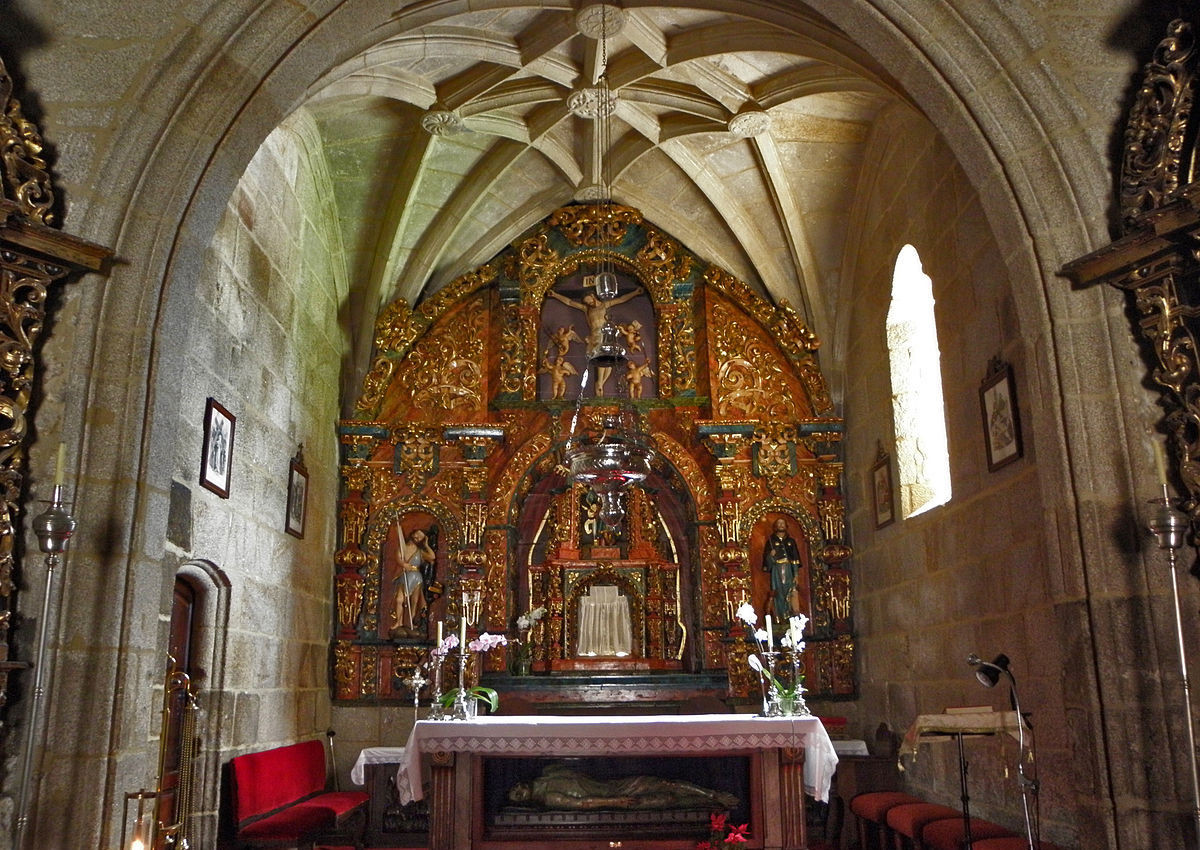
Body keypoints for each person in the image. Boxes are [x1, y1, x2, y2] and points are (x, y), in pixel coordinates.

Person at [506, 763, 738, 811]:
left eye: (515, 787)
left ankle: (713, 795)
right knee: (667, 800)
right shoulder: (549, 797)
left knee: (664, 784)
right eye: (518, 795)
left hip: (611, 782)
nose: (519, 788)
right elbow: (584, 803)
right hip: (614, 794)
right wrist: (616, 801)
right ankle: (712, 803)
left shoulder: (547, 772)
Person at [545, 284, 644, 396]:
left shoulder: (605, 305)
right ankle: (600, 383)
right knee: (601, 357)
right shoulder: (586, 309)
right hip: (595, 336)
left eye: (589, 300)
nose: (589, 303)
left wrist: (635, 293)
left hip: (606, 334)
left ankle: (600, 383)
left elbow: (621, 299)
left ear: (593, 296)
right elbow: (569, 302)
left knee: (609, 362)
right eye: (586, 302)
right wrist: (555, 295)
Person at [392, 525, 435, 633]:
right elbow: (398, 558)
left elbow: (432, 557)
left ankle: (411, 622)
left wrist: (426, 545)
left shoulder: (420, 551)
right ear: (412, 534)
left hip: (416, 577)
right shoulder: (403, 548)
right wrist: (403, 564)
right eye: (417, 535)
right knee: (399, 600)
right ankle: (399, 622)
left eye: (420, 538)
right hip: (405, 576)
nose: (417, 538)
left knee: (414, 602)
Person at [762, 517, 802, 618]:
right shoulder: (771, 541)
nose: (781, 525)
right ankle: (779, 616)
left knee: (789, 590)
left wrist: (796, 575)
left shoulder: (791, 541)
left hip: (788, 569)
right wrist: (771, 556)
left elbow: (795, 558)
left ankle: (790, 614)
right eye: (779, 523)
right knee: (778, 592)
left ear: (786, 526)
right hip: (777, 569)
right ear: (775, 526)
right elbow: (767, 560)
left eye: (782, 523)